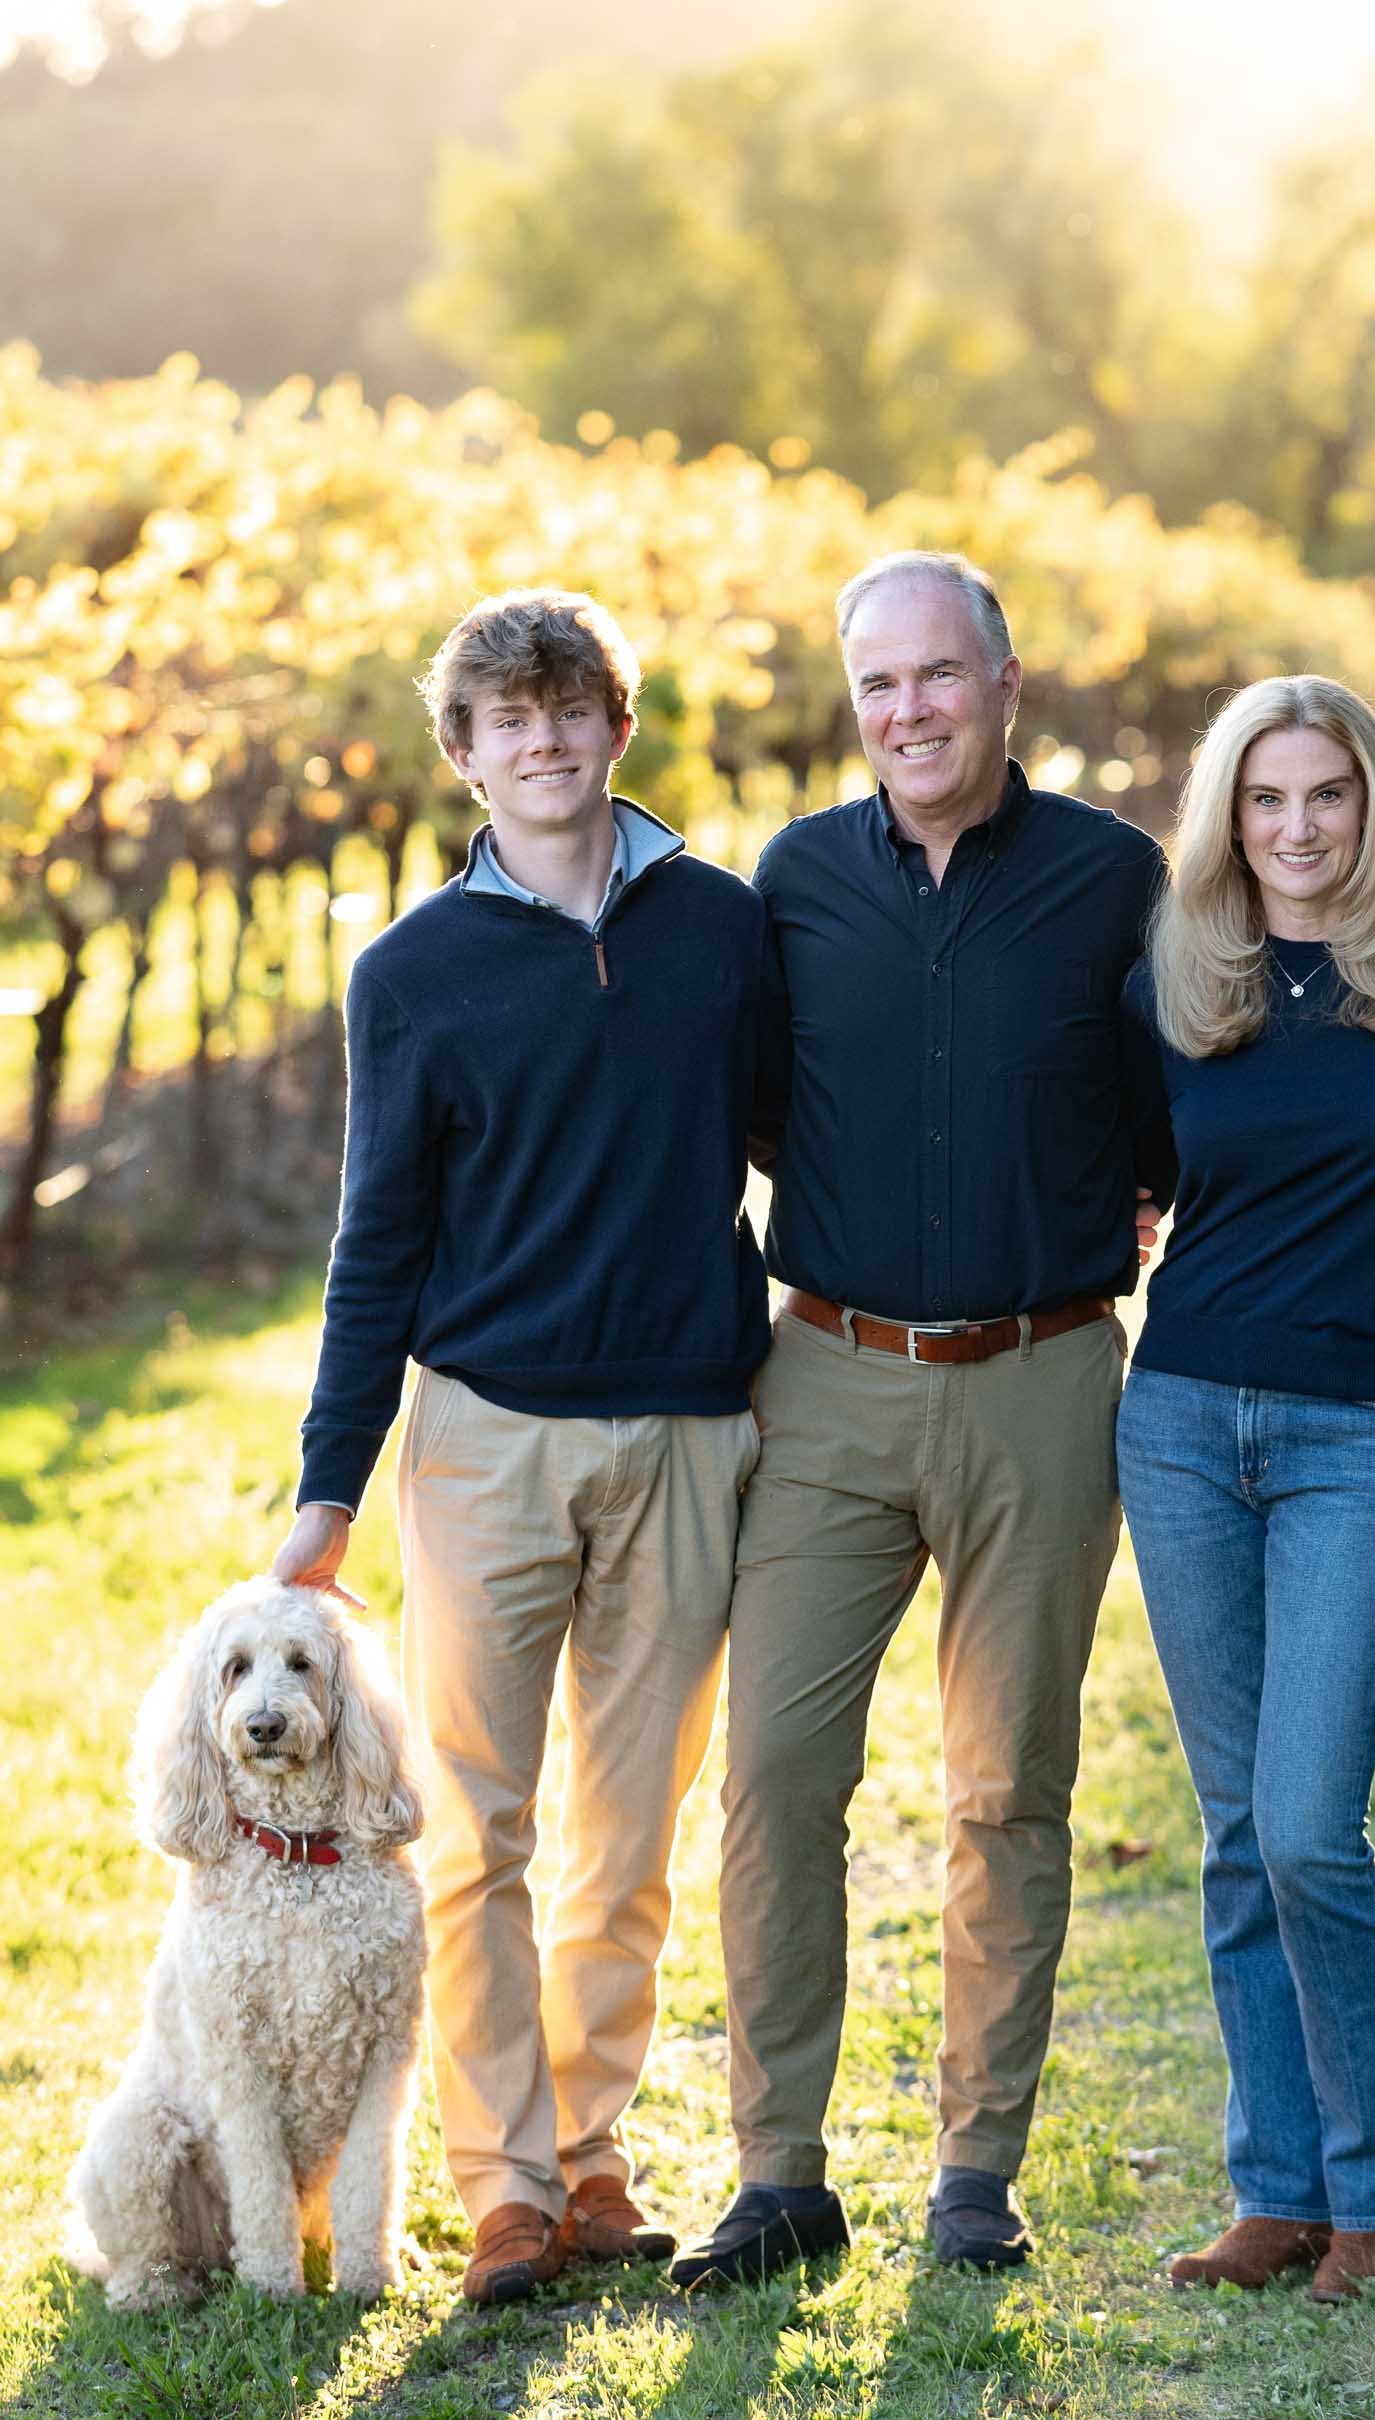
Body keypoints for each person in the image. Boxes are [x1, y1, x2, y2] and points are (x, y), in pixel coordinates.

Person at [270, 590, 786, 2306]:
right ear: (465, 755)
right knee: (475, 1826)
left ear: (617, 728)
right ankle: (500, 2188)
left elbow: (814, 1137)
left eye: (573, 709)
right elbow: (376, 1243)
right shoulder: (410, 975)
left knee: (626, 1833)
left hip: (693, 1433)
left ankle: (592, 2162)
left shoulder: (722, 925)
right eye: (509, 718)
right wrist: (329, 1488)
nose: (545, 740)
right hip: (485, 1442)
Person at [669, 551, 1166, 2286]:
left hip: (1042, 1384)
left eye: (938, 678)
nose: (908, 713)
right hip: (824, 1383)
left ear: (1007, 686)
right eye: (877, 686)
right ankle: (781, 2174)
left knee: (1009, 1788)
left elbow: (1187, 1110)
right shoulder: (794, 881)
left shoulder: (1118, 883)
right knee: (778, 1773)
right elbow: (728, 1106)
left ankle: (976, 2171)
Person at [1114, 675, 1375, 2306]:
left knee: (1309, 1824)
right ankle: (1278, 2188)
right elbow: (1135, 1176)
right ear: (1228, 816)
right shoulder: (1179, 982)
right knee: (1230, 1829)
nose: (1295, 829)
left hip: (1366, 1429)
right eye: (1263, 800)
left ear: (1372, 807)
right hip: (1187, 1416)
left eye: (1324, 795)